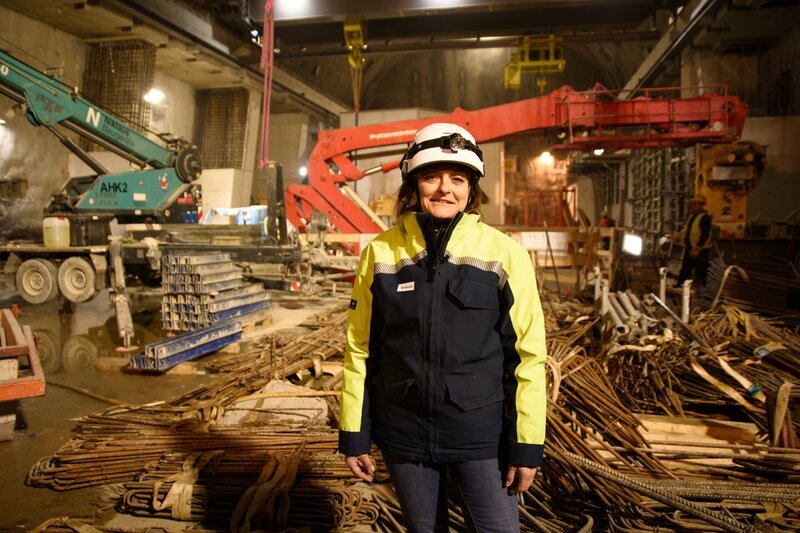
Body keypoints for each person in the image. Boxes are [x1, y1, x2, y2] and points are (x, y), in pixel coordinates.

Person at [339, 123, 547, 532]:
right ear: (413, 185)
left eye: (457, 179)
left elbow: (527, 357)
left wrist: (526, 445)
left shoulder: (505, 255)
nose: (444, 190)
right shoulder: (380, 253)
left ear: (472, 189)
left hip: (479, 436)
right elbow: (361, 350)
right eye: (431, 177)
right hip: (404, 433)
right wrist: (354, 435)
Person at [676, 193, 713, 286]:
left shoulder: (705, 217)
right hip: (691, 247)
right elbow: (687, 231)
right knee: (686, 268)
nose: (692, 206)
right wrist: (676, 236)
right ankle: (680, 285)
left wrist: (697, 248)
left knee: (701, 270)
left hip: (700, 250)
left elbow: (705, 234)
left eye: (694, 204)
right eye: (692, 204)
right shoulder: (693, 217)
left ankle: (704, 292)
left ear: (701, 205)